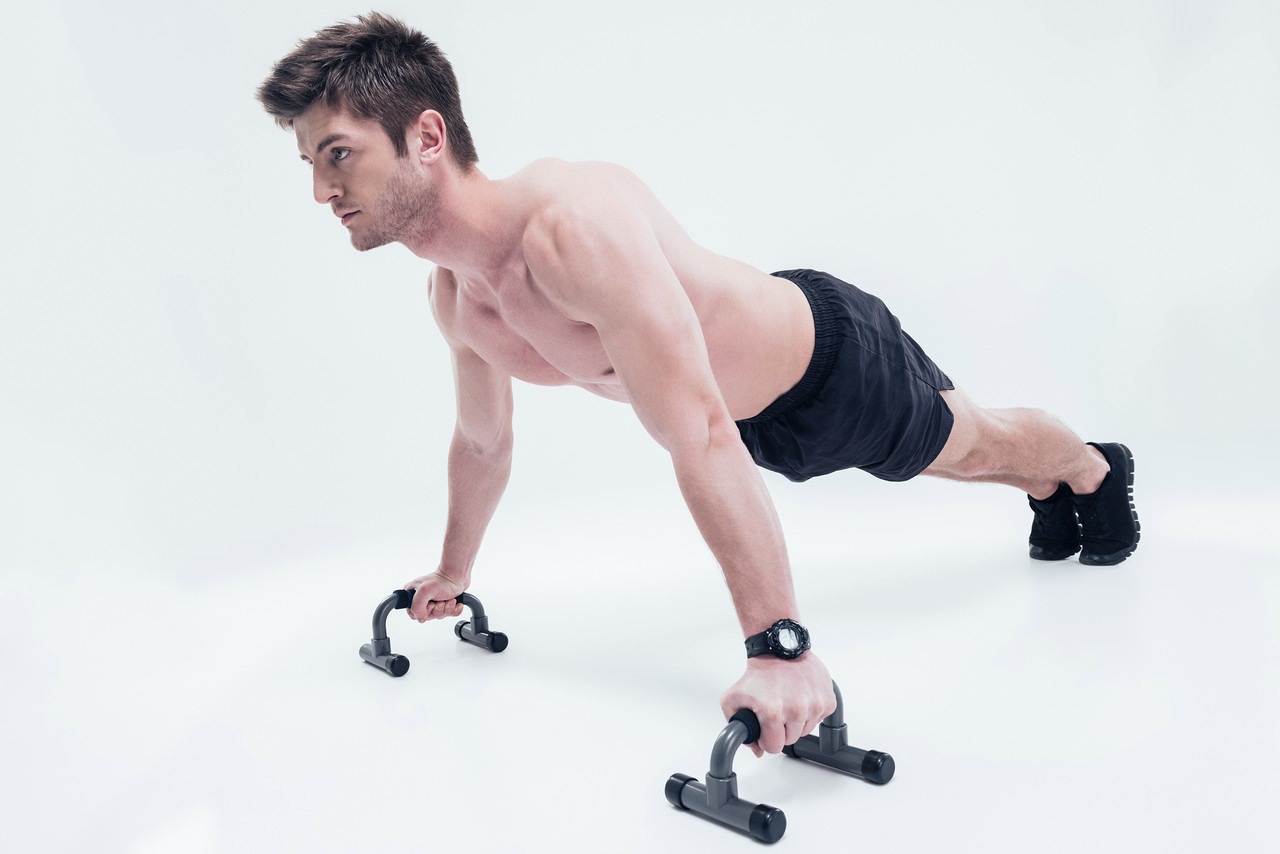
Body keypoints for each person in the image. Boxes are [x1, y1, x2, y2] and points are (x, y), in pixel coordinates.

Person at [257, 12, 1139, 758]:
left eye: (338, 154)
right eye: (310, 164)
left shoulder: (571, 229)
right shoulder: (458, 300)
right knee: (959, 458)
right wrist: (453, 571)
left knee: (972, 445)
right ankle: (1051, 490)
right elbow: (483, 442)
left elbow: (700, 431)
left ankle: (1092, 470)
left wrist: (779, 647)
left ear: (426, 136)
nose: (322, 190)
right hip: (745, 425)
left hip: (828, 370)